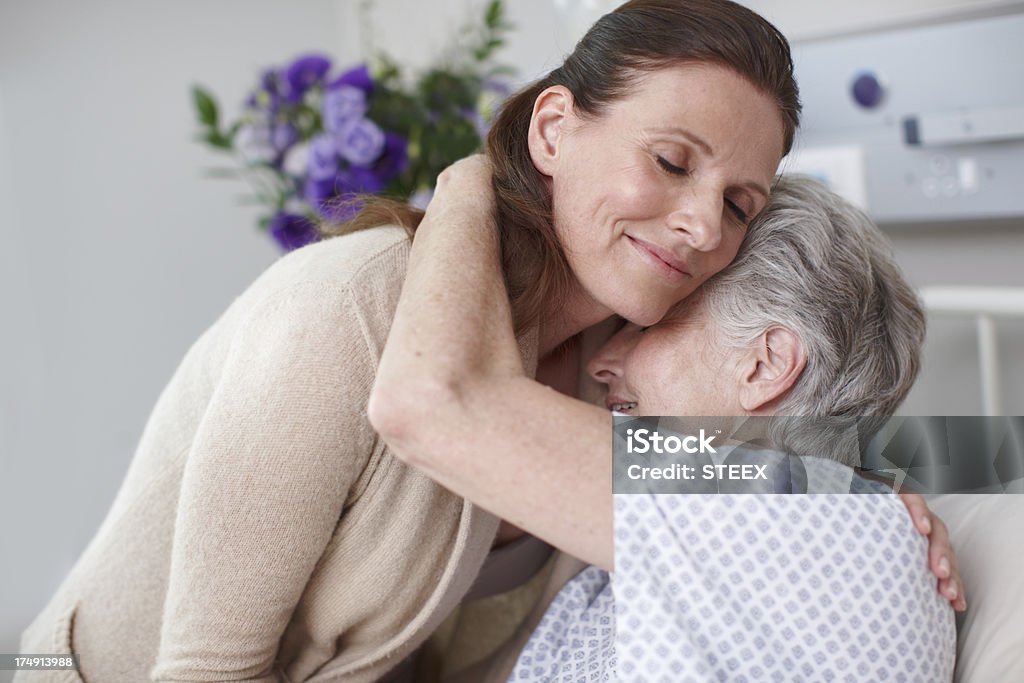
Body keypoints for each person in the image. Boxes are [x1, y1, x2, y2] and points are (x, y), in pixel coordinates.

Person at [16, 1, 957, 682]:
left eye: (739, 205)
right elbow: (202, 669)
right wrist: (468, 178)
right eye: (670, 161)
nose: (703, 226)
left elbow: (955, 453)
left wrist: (861, 468)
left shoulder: (611, 387)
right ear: (552, 128)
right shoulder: (354, 309)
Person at [370, 168, 958, 681]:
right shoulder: (814, 514)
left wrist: (470, 183)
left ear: (765, 363)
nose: (602, 360)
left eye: (651, 326)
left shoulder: (792, 514)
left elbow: (430, 400)